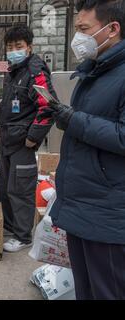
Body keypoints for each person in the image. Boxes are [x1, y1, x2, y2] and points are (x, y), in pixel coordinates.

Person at [45, 0, 125, 300]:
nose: (77, 37)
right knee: (86, 291)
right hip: (81, 204)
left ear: (112, 29)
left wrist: (73, 120)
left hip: (107, 214)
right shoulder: (94, 71)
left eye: (84, 29)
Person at [0, 26, 57, 252]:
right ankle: (9, 226)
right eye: (10, 47)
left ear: (29, 48)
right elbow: (17, 107)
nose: (13, 51)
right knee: (5, 189)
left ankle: (23, 236)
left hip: (22, 143)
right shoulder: (14, 71)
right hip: (8, 141)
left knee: (20, 190)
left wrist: (32, 138)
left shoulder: (35, 71)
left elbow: (48, 106)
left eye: (19, 47)